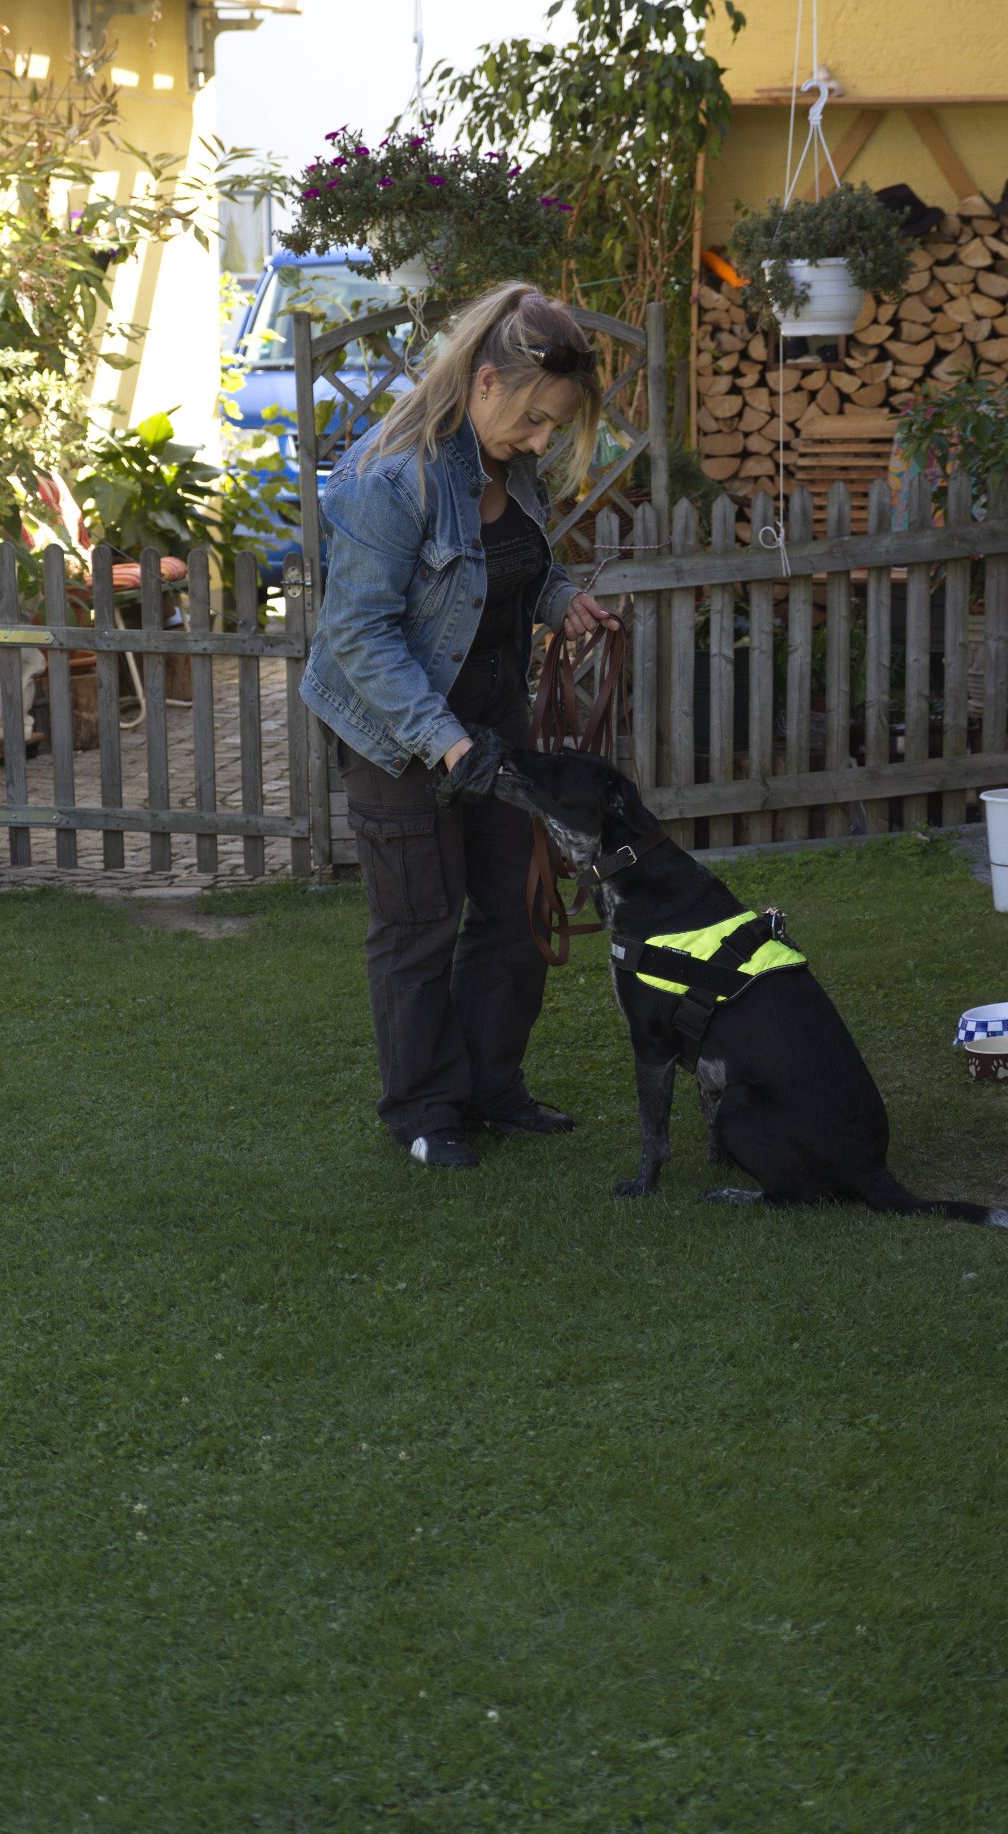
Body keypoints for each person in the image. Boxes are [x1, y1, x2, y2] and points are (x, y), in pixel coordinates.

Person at [300, 281, 619, 1170]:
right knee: (419, 924)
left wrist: (564, 598)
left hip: (491, 719)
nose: (544, 442)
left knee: (516, 911)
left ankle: (491, 1087)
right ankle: (425, 1110)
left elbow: (504, 569)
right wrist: (446, 741)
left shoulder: (511, 463)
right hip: (393, 729)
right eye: (537, 421)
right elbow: (358, 634)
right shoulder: (386, 476)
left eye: (556, 426)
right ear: (485, 383)